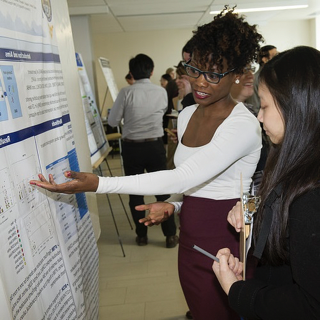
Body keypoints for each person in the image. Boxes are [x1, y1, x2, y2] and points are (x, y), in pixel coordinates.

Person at [29, 7, 263, 320]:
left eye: (214, 74)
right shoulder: (189, 114)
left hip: (225, 241)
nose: (201, 83)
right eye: (194, 70)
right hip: (190, 239)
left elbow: (184, 176)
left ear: (236, 74)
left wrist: (99, 183)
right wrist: (175, 206)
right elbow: (196, 183)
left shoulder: (243, 125)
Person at [212, 46, 320, 319]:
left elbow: (309, 304)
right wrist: (250, 206)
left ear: (294, 106)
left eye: (265, 105)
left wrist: (236, 290)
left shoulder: (311, 196)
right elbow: (273, 191)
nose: (259, 116)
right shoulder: (293, 155)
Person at [110, 54, 178, 248]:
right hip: (155, 146)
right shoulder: (161, 91)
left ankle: (142, 236)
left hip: (132, 147)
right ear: (152, 71)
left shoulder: (126, 92)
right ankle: (170, 235)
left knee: (135, 193)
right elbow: (163, 112)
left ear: (131, 72)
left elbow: (113, 121)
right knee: (163, 192)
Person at [246, 45, 278, 113]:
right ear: (265, 60)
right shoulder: (255, 80)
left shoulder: (275, 77)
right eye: (275, 55)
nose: (278, 58)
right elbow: (254, 109)